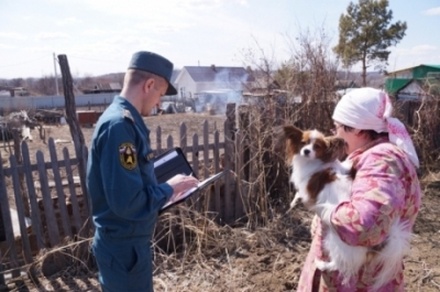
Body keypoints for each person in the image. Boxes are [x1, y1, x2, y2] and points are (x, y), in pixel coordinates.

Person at [86, 51, 199, 292]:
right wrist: (170, 188)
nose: (159, 103)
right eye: (159, 94)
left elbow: (129, 180)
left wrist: (158, 183)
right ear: (149, 85)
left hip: (128, 246)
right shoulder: (120, 127)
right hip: (123, 250)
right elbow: (128, 202)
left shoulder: (125, 122)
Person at [297, 87, 422, 291]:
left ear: (356, 129)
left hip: (356, 283)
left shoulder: (380, 160)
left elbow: (366, 226)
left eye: (337, 127)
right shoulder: (374, 155)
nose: (334, 133)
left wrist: (327, 212)